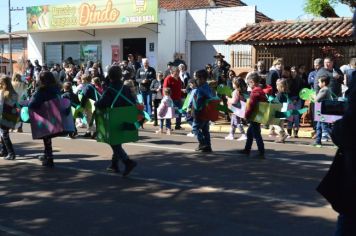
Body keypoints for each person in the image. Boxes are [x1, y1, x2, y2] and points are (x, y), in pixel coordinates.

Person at [95, 66, 137, 176]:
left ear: (109, 76)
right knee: (117, 141)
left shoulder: (110, 90)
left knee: (114, 142)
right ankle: (114, 165)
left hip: (113, 118)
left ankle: (127, 162)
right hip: (125, 118)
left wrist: (96, 103)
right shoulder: (126, 88)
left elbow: (102, 103)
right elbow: (132, 102)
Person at [28, 72, 61, 167]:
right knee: (48, 137)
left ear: (42, 80)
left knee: (46, 136)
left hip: (44, 116)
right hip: (55, 116)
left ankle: (49, 158)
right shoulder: (56, 89)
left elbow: (33, 104)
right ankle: (46, 155)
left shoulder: (42, 91)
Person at [239, 72, 267, 159]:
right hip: (259, 115)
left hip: (254, 116)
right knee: (250, 133)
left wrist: (246, 116)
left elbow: (250, 106)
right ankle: (247, 149)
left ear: (252, 82)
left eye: (248, 83)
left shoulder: (254, 92)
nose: (248, 85)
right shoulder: (261, 91)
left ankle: (261, 152)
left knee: (256, 134)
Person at [189, 69, 213, 152]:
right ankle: (208, 146)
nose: (196, 81)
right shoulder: (208, 87)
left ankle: (202, 143)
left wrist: (194, 113)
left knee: (195, 128)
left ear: (202, 79)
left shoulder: (200, 90)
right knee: (205, 130)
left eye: (197, 79)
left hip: (200, 113)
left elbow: (197, 103)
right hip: (207, 113)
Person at [0, 75, 18, 160]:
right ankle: (4, 151)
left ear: (4, 84)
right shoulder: (14, 93)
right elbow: (13, 104)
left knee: (4, 134)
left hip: (3, 115)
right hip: (11, 115)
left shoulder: (3, 93)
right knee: (3, 133)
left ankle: (11, 153)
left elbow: (1, 105)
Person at [312, 76, 333, 147]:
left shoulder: (324, 90)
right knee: (319, 126)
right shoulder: (327, 89)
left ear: (323, 83)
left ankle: (337, 140)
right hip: (322, 111)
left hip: (323, 111)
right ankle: (318, 141)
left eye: (319, 82)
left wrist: (313, 96)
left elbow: (316, 100)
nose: (318, 83)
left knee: (325, 127)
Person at [286, 66, 304, 138]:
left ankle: (296, 132)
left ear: (297, 72)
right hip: (290, 99)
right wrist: (291, 99)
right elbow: (286, 91)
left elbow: (301, 91)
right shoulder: (288, 80)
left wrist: (296, 99)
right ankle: (289, 132)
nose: (293, 72)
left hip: (298, 99)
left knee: (296, 116)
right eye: (292, 71)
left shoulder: (300, 80)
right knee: (290, 116)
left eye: (294, 71)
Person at [273, 78, 289, 143]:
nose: (276, 87)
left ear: (280, 86)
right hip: (283, 111)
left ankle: (283, 133)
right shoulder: (285, 94)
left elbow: (277, 103)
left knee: (274, 123)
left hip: (279, 111)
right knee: (281, 125)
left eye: (277, 85)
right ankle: (281, 139)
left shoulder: (279, 94)